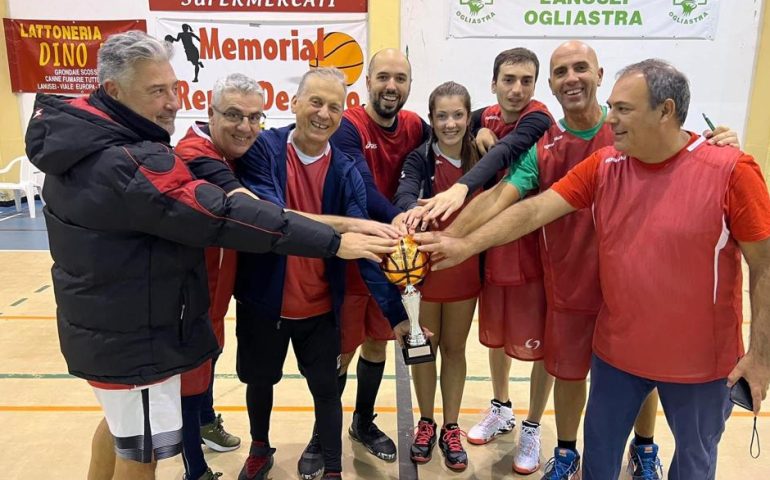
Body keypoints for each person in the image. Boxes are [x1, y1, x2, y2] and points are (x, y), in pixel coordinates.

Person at [24, 31, 395, 480]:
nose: (171, 103)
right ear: (114, 92)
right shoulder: (144, 161)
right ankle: (202, 464)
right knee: (141, 453)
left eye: (174, 88)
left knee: (121, 429)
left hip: (121, 322)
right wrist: (336, 238)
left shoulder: (98, 140)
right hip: (134, 333)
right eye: (156, 91)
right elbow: (233, 214)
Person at [416, 58, 770, 480]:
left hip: (701, 365)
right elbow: (533, 211)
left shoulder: (731, 170)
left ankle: (645, 449)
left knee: (693, 466)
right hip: (617, 356)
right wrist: (461, 244)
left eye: (624, 110)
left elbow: (763, 267)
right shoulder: (605, 164)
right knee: (597, 460)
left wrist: (760, 357)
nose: (612, 118)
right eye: (613, 108)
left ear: (666, 110)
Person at [232, 67, 414, 480]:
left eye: (335, 106)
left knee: (327, 391)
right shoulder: (265, 149)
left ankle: (333, 469)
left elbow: (363, 250)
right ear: (294, 103)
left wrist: (397, 316)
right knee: (260, 383)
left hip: (318, 309)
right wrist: (347, 227)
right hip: (264, 301)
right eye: (315, 102)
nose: (323, 113)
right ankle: (260, 448)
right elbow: (272, 217)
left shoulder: (346, 169)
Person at [414, 48, 555, 474]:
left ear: (535, 85)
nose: (517, 88)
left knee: (542, 341)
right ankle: (501, 407)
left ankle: (532, 426)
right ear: (492, 83)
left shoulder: (540, 118)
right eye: (508, 79)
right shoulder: (481, 116)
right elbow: (450, 125)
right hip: (490, 246)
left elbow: (505, 154)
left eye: (526, 80)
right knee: (497, 337)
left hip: (536, 242)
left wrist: (461, 189)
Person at [293, 48, 430, 477]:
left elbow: (454, 129)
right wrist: (401, 225)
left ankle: (362, 422)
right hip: (355, 253)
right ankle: (322, 431)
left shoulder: (414, 126)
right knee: (341, 351)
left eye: (401, 79)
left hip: (399, 258)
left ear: (409, 84)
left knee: (378, 342)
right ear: (368, 81)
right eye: (383, 77)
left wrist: (482, 131)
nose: (392, 86)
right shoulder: (349, 125)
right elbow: (366, 194)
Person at [175, 73, 267, 480]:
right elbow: (242, 202)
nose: (245, 127)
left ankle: (207, 420)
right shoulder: (194, 152)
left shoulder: (231, 149)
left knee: (211, 355)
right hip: (188, 294)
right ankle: (194, 469)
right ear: (209, 113)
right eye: (233, 115)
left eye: (254, 117)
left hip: (218, 288)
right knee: (191, 376)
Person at [392, 81, 481, 471]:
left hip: (464, 269)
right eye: (441, 116)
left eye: (457, 115)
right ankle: (426, 422)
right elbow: (405, 194)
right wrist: (411, 210)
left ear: (468, 116)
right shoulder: (418, 159)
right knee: (423, 348)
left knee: (456, 350)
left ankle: (451, 426)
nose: (450, 123)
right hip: (423, 273)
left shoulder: (481, 157)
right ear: (431, 119)